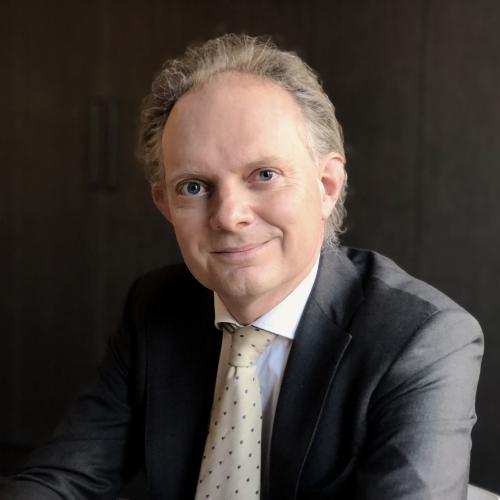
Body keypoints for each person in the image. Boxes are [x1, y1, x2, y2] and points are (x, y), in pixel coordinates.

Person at [1, 34, 483, 500]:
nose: (229, 216)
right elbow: (61, 480)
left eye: (264, 175)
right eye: (193, 187)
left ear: (327, 186)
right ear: (164, 204)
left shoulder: (421, 341)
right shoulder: (154, 307)